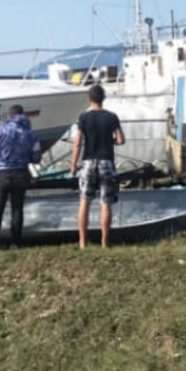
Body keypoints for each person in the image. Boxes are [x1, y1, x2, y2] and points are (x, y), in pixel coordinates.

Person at [69, 84, 125, 248]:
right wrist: (110, 141)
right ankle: (104, 242)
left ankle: (82, 242)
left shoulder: (84, 117)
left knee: (84, 202)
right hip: (106, 162)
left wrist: (73, 165)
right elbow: (121, 140)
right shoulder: (111, 117)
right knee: (105, 203)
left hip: (88, 162)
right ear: (103, 98)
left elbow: (78, 143)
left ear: (89, 99)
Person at [0, 104, 42, 253]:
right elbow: (36, 157)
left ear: (10, 116)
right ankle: (15, 243)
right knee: (17, 209)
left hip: (2, 174)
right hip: (21, 174)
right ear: (23, 116)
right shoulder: (30, 134)